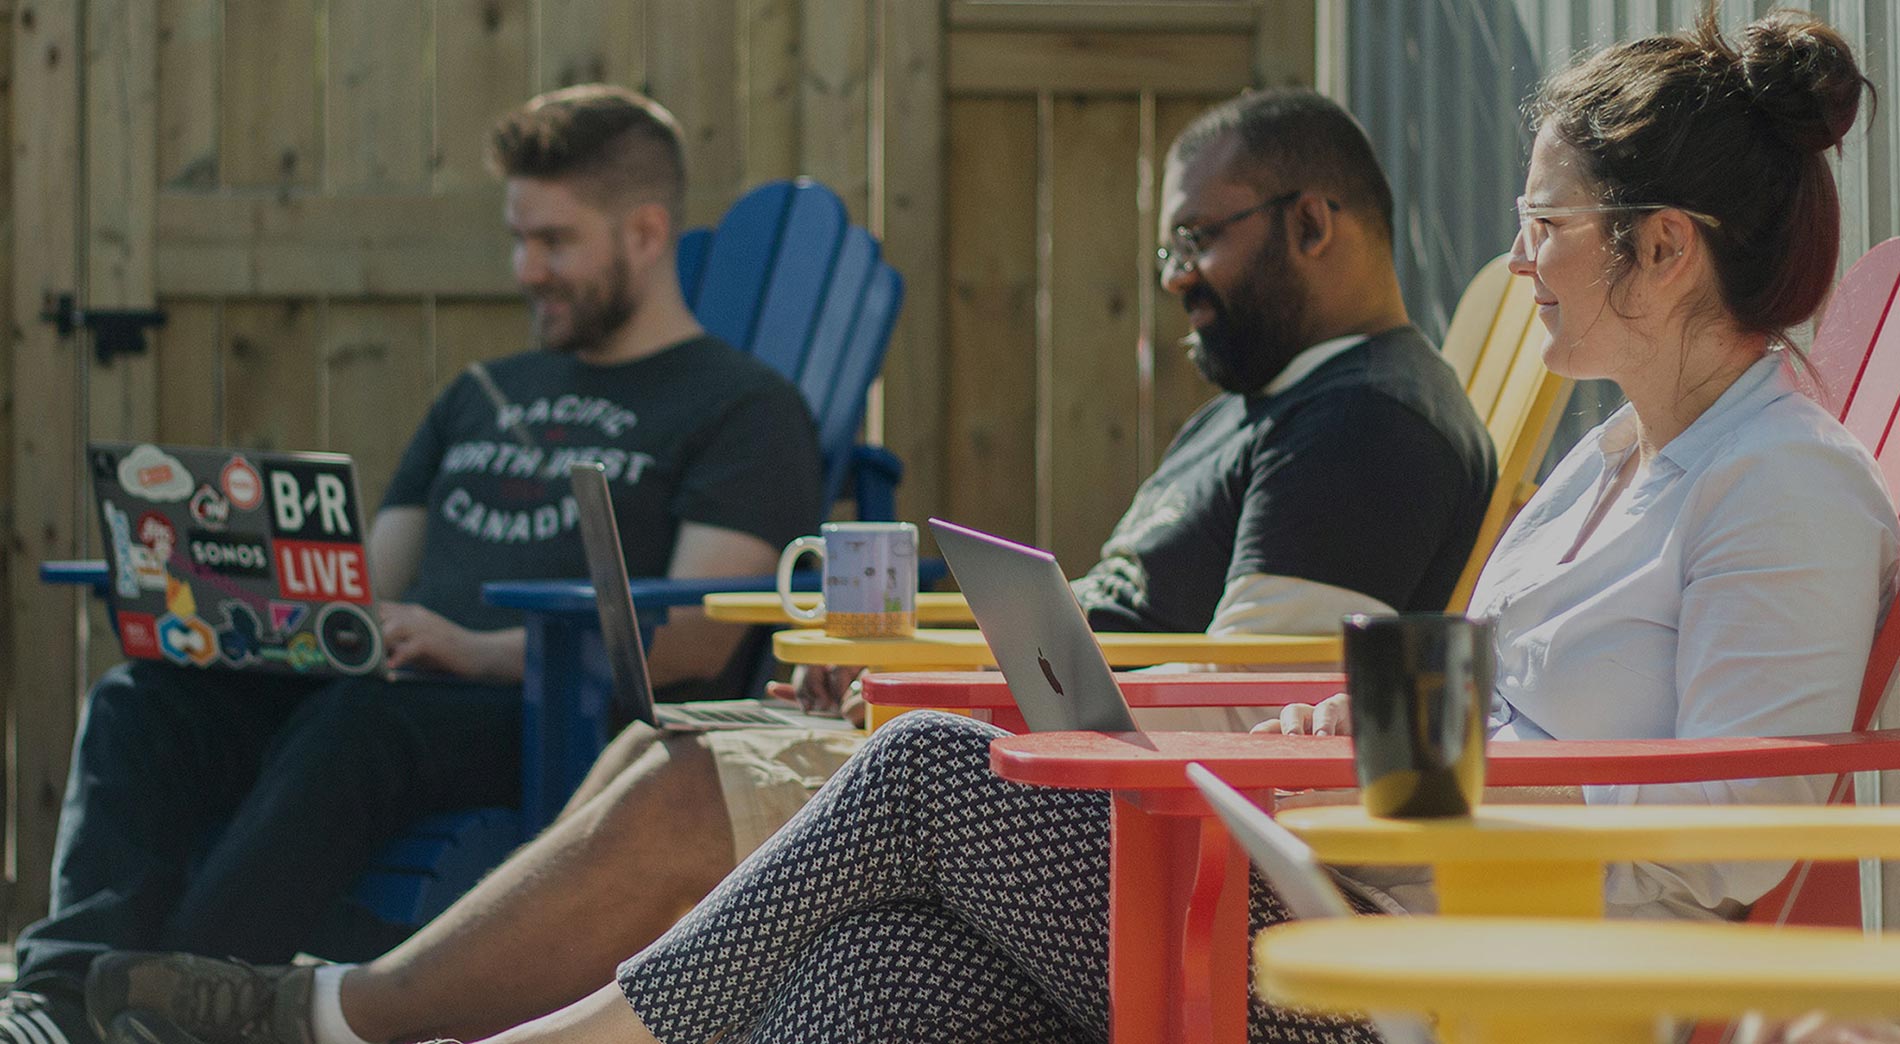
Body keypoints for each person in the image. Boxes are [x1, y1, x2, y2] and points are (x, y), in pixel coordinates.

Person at [183, 12, 1890, 1043]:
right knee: (864, 985)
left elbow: (1732, 845)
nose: (1522, 257)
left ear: (1664, 248)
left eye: (1550, 221)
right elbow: (1452, 709)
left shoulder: (1785, 485)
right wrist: (1314, 738)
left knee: (927, 767)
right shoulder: (1614, 467)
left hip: (1449, 985)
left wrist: (1398, 804)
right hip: (1344, 899)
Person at [78, 87, 1502, 1044]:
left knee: (694, 777)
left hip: (1123, 819)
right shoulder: (1268, 409)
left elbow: (1262, 700)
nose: (1179, 270)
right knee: (672, 742)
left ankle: (342, 1012)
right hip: (1060, 761)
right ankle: (406, 1008)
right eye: (1171, 241)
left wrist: (950, 691)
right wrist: (922, 659)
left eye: (1204, 237)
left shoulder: (1362, 420)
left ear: (1316, 223)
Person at [0, 84, 825, 1044]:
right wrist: (230, 596)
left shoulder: (742, 407)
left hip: (547, 717)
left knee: (363, 721)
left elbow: (691, 636)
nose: (526, 269)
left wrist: (473, 650)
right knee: (144, 699)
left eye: (553, 241)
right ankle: (58, 1003)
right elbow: (372, 583)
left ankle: (177, 1003)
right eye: (517, 237)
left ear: (645, 233)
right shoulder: (482, 392)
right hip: (390, 687)